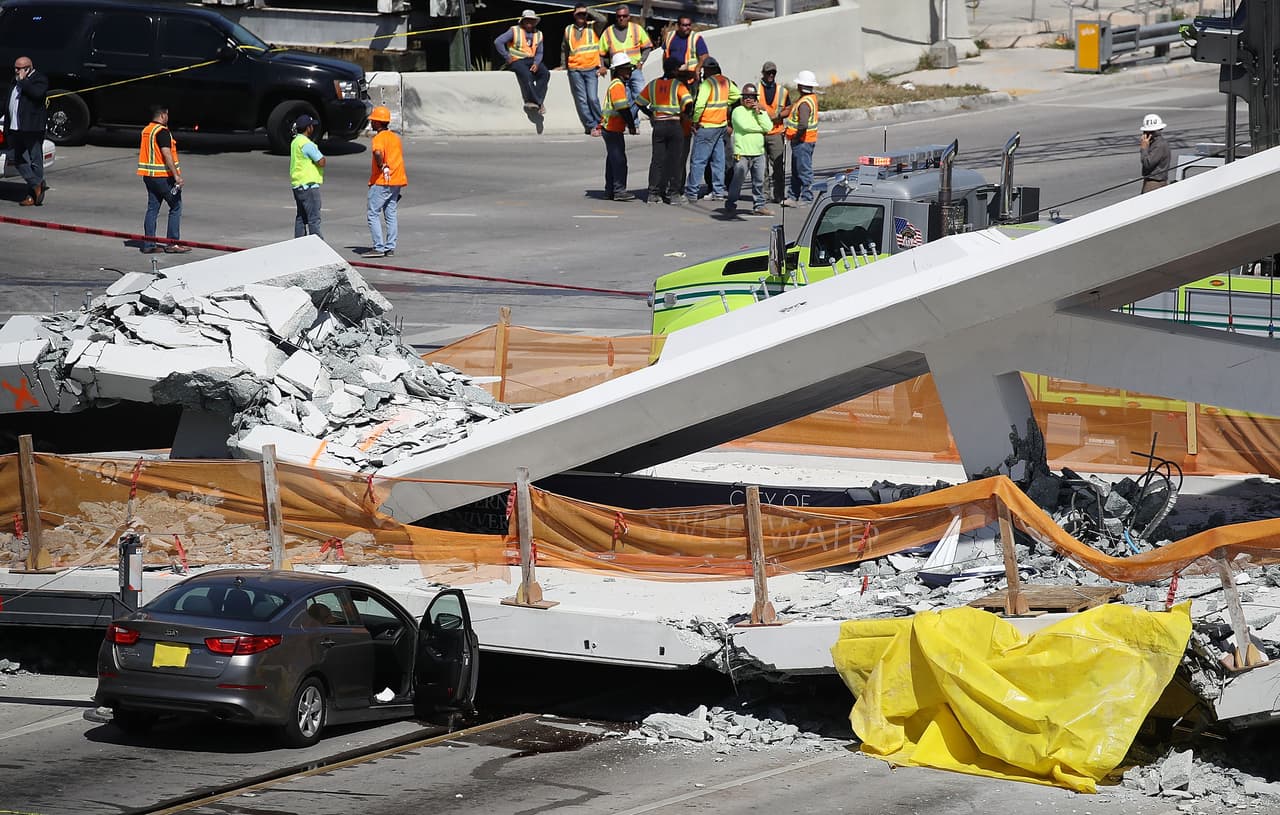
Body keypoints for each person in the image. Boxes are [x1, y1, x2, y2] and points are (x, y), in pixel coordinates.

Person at [637, 57, 693, 205]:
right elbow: (688, 103)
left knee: (657, 160)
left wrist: (651, 115)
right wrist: (684, 115)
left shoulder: (653, 84)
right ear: (674, 70)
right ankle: (673, 194)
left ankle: (653, 193)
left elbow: (639, 102)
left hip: (659, 125)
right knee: (675, 160)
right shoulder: (677, 85)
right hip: (674, 125)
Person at [684, 58, 738, 203]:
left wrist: (695, 121)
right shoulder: (725, 81)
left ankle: (692, 192)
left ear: (707, 70)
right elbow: (736, 95)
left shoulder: (707, 84)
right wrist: (724, 102)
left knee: (698, 161)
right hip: (720, 126)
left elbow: (700, 105)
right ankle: (718, 192)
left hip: (707, 126)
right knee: (718, 161)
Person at [137, 104, 189, 254]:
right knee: (176, 206)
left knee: (152, 209)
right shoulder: (162, 132)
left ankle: (148, 244)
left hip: (149, 176)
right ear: (163, 115)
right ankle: (173, 243)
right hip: (163, 178)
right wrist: (177, 176)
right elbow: (167, 155)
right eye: (167, 115)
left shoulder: (147, 130)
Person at [362, 106, 406, 258]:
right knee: (390, 213)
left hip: (382, 181)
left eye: (373, 121)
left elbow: (378, 152)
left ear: (378, 123)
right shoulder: (395, 137)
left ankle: (378, 247)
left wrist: (381, 165)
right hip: (396, 180)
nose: (372, 123)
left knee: (373, 213)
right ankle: (390, 247)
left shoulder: (379, 138)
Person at [597, 5, 652, 126]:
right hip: (618, 71)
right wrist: (601, 66)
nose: (621, 18)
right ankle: (633, 123)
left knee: (640, 96)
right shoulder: (608, 32)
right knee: (625, 99)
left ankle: (631, 121)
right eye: (619, 16)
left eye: (624, 16)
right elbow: (600, 52)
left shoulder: (637, 29)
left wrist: (641, 61)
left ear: (629, 17)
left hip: (634, 69)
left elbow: (648, 46)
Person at [4, 56, 48, 206]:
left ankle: (32, 195)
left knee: (35, 161)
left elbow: (37, 94)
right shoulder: (15, 80)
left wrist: (24, 81)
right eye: (15, 68)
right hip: (15, 128)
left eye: (19, 68)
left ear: (28, 68)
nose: (16, 71)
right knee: (16, 158)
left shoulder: (39, 79)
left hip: (32, 128)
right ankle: (37, 184)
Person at [725, 84, 774, 216]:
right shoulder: (737, 111)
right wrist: (760, 128)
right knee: (738, 180)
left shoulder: (760, 112)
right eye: (746, 97)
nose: (748, 99)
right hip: (742, 153)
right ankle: (731, 204)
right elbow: (744, 126)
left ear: (756, 99)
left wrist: (759, 114)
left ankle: (759, 206)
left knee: (759, 182)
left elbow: (768, 127)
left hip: (758, 153)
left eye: (751, 97)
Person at [494, 10, 549, 114]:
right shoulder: (514, 30)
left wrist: (536, 63)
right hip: (517, 60)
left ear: (535, 22)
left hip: (532, 60)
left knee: (545, 73)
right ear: (522, 21)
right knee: (527, 75)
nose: (529, 22)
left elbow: (540, 52)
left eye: (531, 20)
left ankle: (534, 101)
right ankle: (538, 103)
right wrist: (507, 57)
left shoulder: (539, 34)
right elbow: (498, 42)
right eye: (527, 20)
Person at [600, 53, 637, 201]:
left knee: (612, 160)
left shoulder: (616, 84)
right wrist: (631, 125)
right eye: (626, 68)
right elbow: (623, 108)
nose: (629, 71)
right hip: (612, 128)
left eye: (630, 68)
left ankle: (610, 190)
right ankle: (619, 190)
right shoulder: (617, 86)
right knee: (619, 161)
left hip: (610, 128)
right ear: (618, 70)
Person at [563, 4, 603, 135]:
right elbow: (565, 49)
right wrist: (563, 65)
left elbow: (603, 19)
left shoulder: (593, 26)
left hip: (591, 68)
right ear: (574, 15)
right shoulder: (568, 29)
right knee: (582, 100)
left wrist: (588, 10)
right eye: (578, 14)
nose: (581, 17)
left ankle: (601, 122)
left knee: (592, 98)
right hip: (575, 69)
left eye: (583, 14)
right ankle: (591, 126)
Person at [783, 70, 820, 207]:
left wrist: (796, 136)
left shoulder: (804, 103)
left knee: (803, 170)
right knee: (797, 169)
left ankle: (806, 198)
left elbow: (803, 124)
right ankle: (793, 196)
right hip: (803, 140)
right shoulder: (809, 99)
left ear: (801, 86)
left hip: (803, 141)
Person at [758, 61, 790, 205]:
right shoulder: (756, 89)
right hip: (759, 133)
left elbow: (788, 108)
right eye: (768, 72)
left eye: (773, 73)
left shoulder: (782, 91)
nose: (771, 75)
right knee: (761, 167)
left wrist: (778, 116)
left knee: (777, 166)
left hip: (776, 133)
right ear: (763, 73)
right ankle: (764, 195)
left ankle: (778, 195)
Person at [289, 114, 325, 238]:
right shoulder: (306, 143)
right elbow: (321, 161)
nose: (313, 128)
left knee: (301, 217)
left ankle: (299, 243)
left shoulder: (295, 142)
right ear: (308, 128)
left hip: (297, 185)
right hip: (308, 186)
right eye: (312, 126)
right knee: (313, 218)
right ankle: (317, 246)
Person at [1139, 113, 1170, 194]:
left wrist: (1144, 148)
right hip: (1155, 181)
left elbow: (1147, 163)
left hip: (1154, 183)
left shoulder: (1158, 145)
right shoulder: (1157, 143)